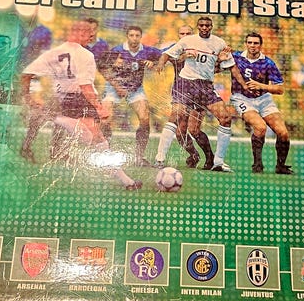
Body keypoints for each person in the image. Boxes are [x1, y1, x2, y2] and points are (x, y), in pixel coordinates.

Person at [20, 19, 141, 190]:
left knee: (95, 138)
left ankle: (127, 181)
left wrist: (28, 97)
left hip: (62, 99)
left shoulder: (54, 52)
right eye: (87, 33)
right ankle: (127, 182)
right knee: (97, 139)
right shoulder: (85, 55)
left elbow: (26, 74)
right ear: (78, 33)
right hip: (78, 100)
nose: (91, 36)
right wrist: (99, 107)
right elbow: (85, 86)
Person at [154, 16, 249, 172]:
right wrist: (160, 64)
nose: (204, 28)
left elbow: (231, 66)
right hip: (186, 84)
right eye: (202, 25)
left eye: (207, 25)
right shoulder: (187, 42)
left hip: (205, 86)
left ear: (211, 26)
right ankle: (160, 158)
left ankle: (217, 162)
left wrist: (243, 84)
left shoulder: (219, 43)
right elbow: (166, 54)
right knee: (176, 118)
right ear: (198, 27)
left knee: (224, 118)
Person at [230, 32, 293, 175]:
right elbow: (219, 62)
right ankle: (257, 164)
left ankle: (281, 166)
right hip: (242, 98)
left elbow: (280, 89)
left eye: (256, 43)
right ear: (246, 44)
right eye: (250, 42)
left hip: (264, 99)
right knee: (260, 127)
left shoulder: (268, 63)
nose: (252, 45)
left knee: (283, 133)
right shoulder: (236, 57)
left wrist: (261, 86)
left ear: (261, 45)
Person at [99, 25, 162, 167]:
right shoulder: (117, 50)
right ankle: (105, 153)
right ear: (127, 36)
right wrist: (117, 86)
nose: (134, 38)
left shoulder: (148, 51)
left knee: (145, 118)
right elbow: (103, 68)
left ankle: (139, 156)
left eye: (137, 36)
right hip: (114, 88)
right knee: (105, 119)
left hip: (135, 89)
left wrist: (153, 63)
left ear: (141, 37)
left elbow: (164, 56)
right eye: (131, 35)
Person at [155, 24, 213, 169]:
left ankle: (210, 158)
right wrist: (182, 57)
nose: (185, 36)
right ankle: (190, 155)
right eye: (182, 34)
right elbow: (164, 57)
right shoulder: (175, 48)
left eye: (188, 33)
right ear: (178, 35)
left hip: (200, 91)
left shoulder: (203, 46)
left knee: (194, 130)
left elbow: (215, 63)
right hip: (181, 89)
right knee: (179, 131)